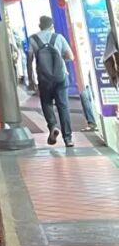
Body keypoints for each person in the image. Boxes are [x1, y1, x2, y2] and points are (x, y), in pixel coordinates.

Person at [29, 15, 75, 148]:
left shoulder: (33, 39)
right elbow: (70, 56)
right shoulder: (58, 37)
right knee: (63, 106)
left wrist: (31, 79)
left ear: (40, 26)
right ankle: (68, 139)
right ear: (52, 26)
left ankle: (53, 126)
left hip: (44, 78)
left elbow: (29, 60)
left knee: (46, 103)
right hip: (60, 77)